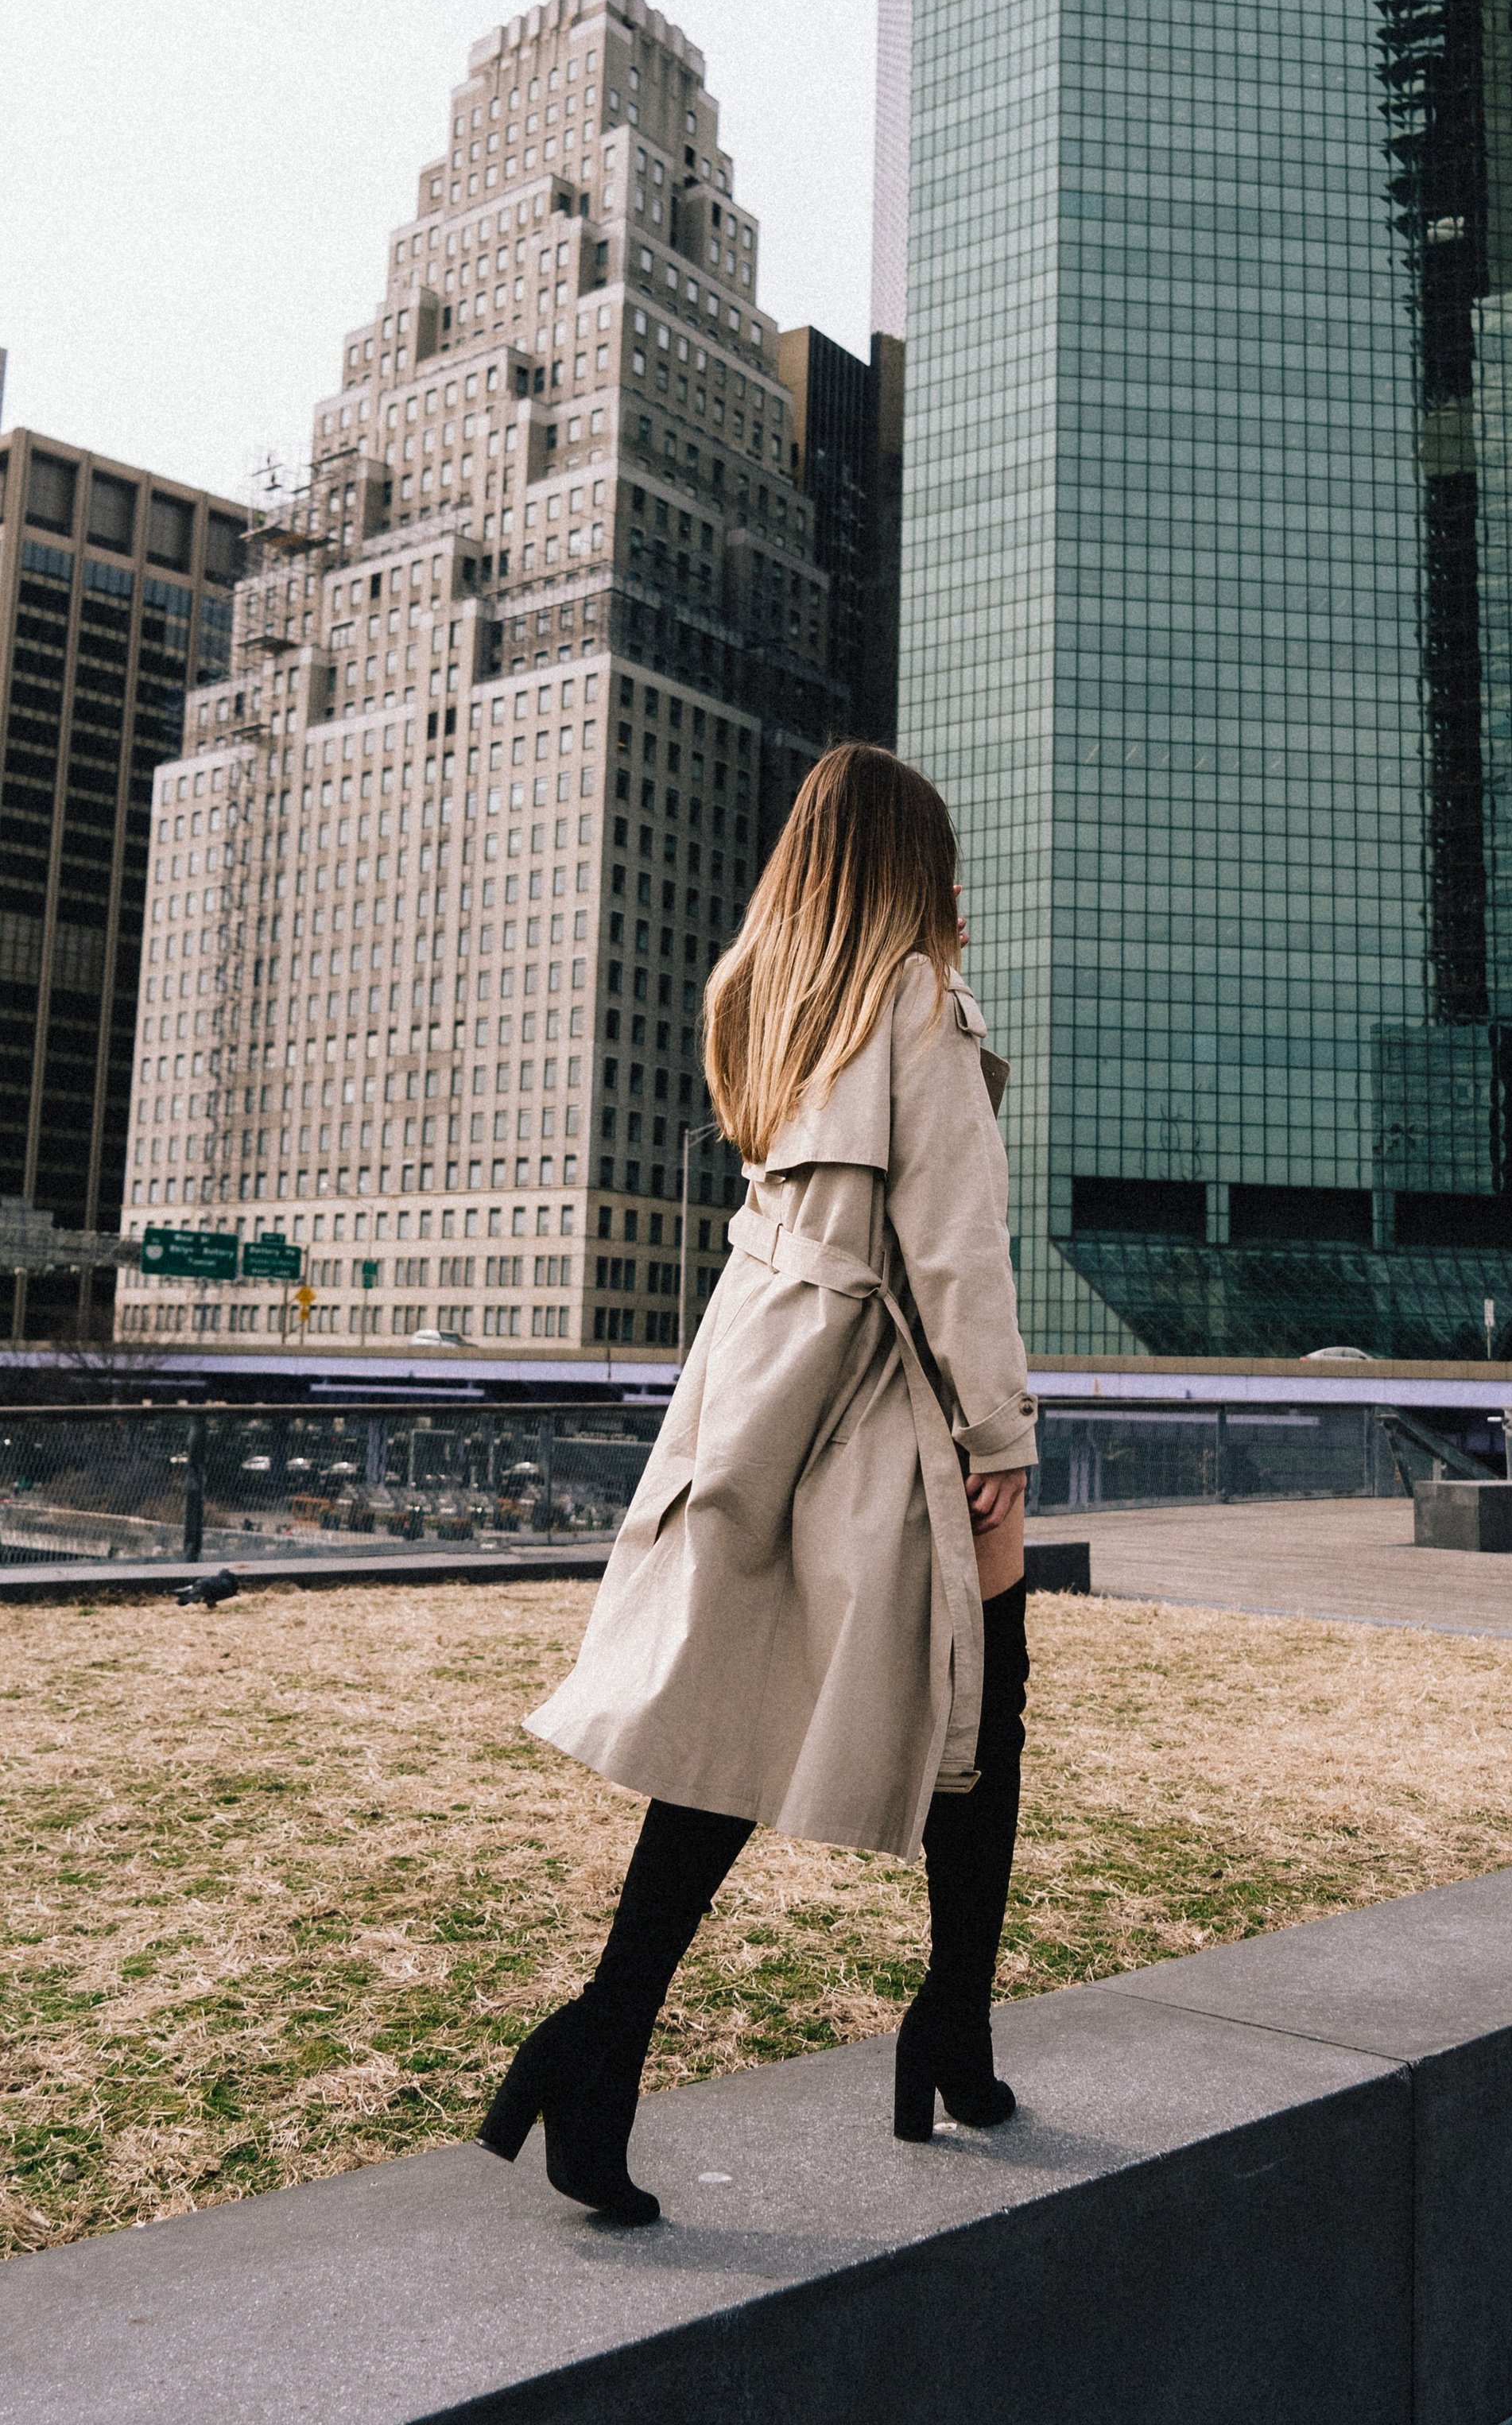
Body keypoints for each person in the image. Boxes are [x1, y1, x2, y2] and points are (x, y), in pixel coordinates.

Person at [480, 745, 1039, 2222]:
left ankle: (600, 2041)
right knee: (988, 1712)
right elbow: (957, 1253)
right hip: (893, 1425)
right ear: (915, 868)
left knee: (722, 1736)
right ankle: (951, 2029)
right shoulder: (921, 1005)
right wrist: (1001, 1445)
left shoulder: (781, 1020)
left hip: (759, 1417)